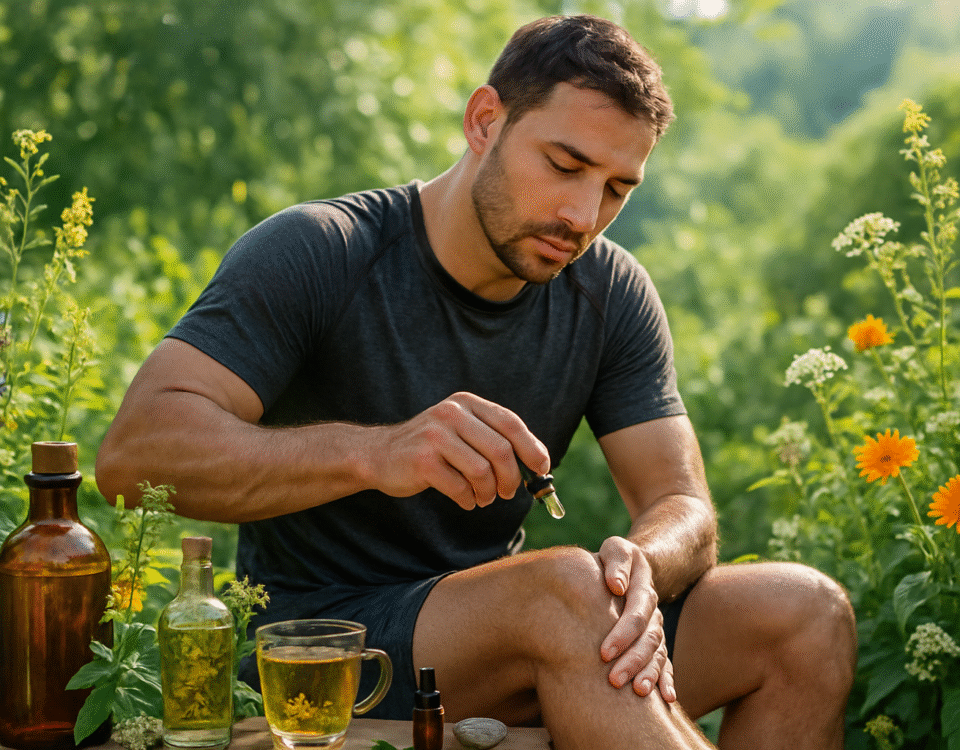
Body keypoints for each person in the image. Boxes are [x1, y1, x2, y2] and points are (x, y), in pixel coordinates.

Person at [96, 14, 856, 750]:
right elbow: (134, 457)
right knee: (564, 591)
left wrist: (644, 565)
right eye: (564, 166)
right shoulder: (320, 249)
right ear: (485, 120)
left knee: (802, 610)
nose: (583, 214)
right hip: (325, 649)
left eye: (619, 189)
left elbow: (682, 504)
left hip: (524, 635)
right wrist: (378, 453)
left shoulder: (612, 293)